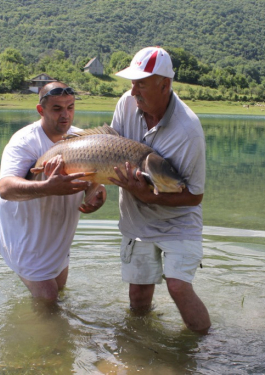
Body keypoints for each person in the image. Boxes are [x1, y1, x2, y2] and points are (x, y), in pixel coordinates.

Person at [109, 47, 211, 334]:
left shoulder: (188, 130)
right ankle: (139, 345)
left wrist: (146, 194)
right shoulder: (126, 105)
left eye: (140, 84)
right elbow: (110, 151)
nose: (133, 92)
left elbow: (195, 195)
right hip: (136, 220)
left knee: (178, 286)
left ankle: (204, 346)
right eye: (132, 83)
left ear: (164, 85)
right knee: (138, 296)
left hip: (177, 221)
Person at [0, 82, 106, 302]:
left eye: (70, 107)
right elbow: (6, 188)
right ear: (40, 110)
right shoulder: (25, 142)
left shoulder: (82, 140)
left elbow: (94, 182)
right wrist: (48, 187)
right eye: (57, 109)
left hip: (56, 232)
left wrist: (97, 196)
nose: (65, 115)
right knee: (48, 297)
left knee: (59, 289)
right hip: (24, 232)